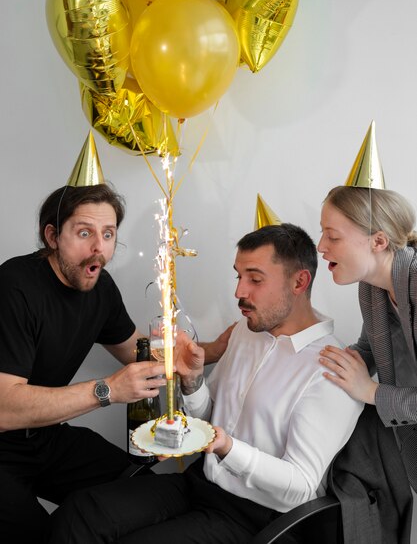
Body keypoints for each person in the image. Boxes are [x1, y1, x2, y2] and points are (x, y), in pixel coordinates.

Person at [46, 223, 363, 544]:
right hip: (201, 482)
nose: (240, 292)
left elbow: (303, 486)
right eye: (238, 276)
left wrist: (228, 447)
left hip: (258, 518)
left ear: (299, 281)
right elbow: (211, 421)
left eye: (255, 279)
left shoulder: (332, 368)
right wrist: (194, 380)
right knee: (83, 510)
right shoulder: (246, 331)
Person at [0, 182, 231, 544]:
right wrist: (107, 390)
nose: (99, 248)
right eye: (84, 233)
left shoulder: (100, 286)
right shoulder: (14, 287)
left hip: (44, 438)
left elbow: (138, 351)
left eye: (108, 234)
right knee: (39, 535)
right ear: (52, 236)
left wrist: (212, 350)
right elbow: (4, 408)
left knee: (141, 490)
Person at [318, 184, 417, 492]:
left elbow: (366, 382)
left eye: (333, 236)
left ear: (378, 241)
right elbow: (369, 350)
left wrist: (371, 391)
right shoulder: (373, 288)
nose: (321, 246)